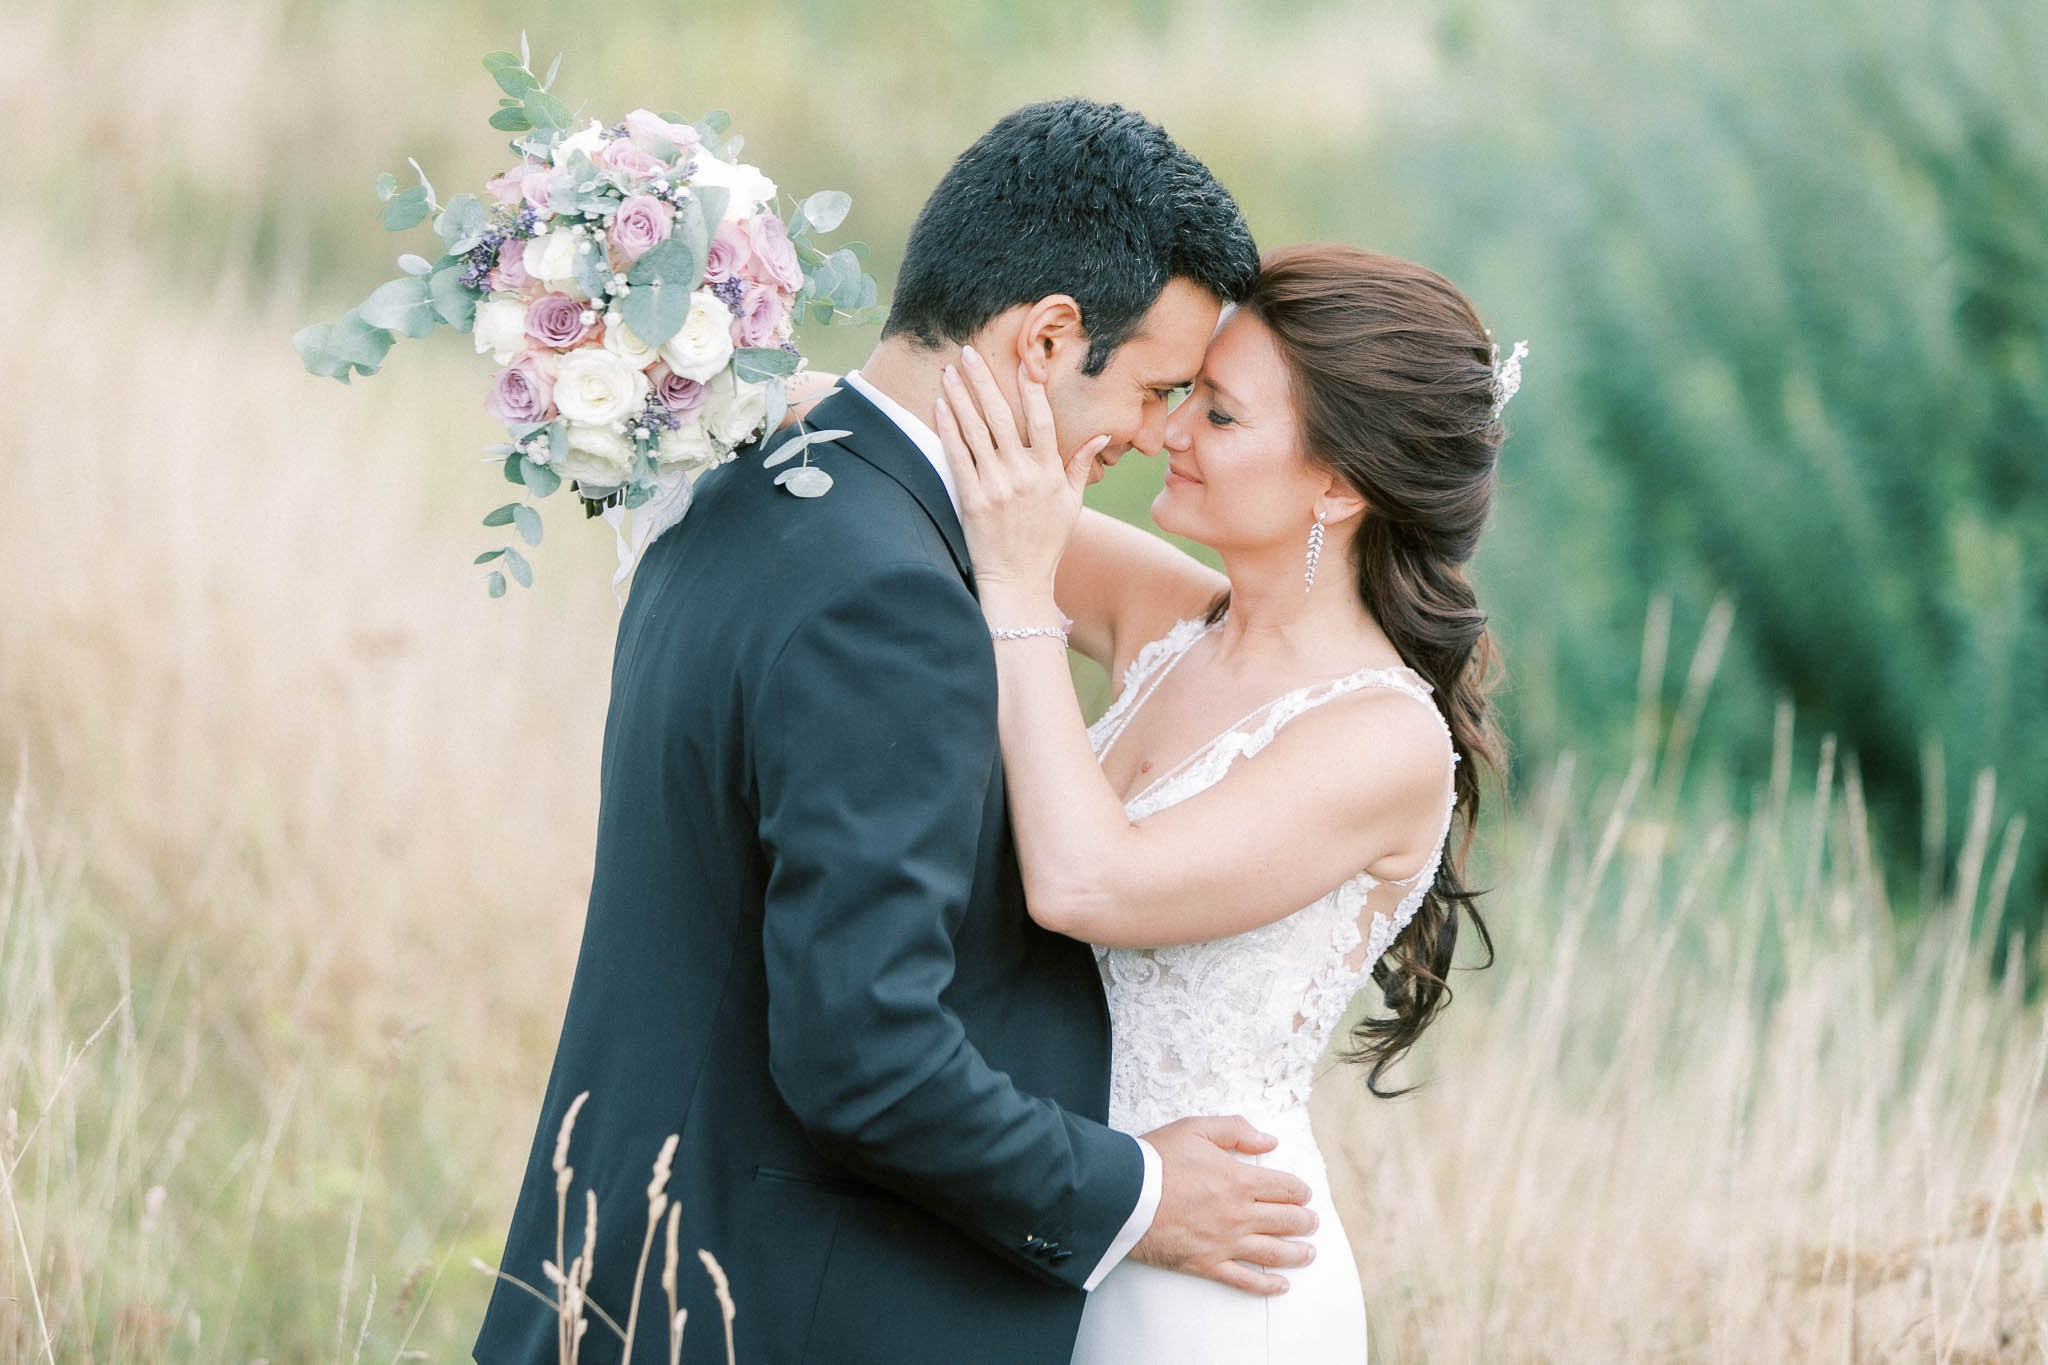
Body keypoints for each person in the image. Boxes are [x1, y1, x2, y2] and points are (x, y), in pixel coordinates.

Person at [473, 100, 1320, 1365]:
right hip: (770, 1312)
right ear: (1047, 338)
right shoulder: (896, 605)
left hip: (626, 1278)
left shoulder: (749, 476)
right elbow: (863, 1052)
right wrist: (1139, 1195)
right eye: (1154, 391)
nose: (1154, 437)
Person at [930, 242, 1513, 1362]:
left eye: (1220, 415)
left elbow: (1083, 882)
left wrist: (1016, 593)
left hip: (1214, 1278)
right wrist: (714, 377)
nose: (1170, 434)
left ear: (1339, 486)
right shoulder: (1176, 618)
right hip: (1066, 1225)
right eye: (1185, 393)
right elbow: (963, 485)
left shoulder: (1383, 739)